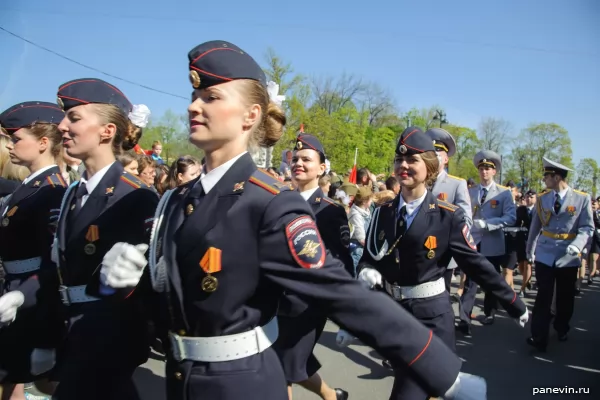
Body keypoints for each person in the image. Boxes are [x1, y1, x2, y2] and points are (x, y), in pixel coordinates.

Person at [98, 40, 486, 400]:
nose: (194, 106)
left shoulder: (268, 202)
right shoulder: (177, 198)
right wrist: (136, 282)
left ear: (251, 115)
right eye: (195, 96)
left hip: (242, 382)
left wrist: (442, 371)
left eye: (212, 97)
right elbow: (180, 302)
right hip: (181, 380)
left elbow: (338, 291)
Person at [340, 127, 527, 399]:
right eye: (399, 160)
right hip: (393, 317)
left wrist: (514, 303)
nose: (403, 166)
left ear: (428, 168)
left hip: (430, 320)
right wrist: (366, 273)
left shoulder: (447, 217)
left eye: (412, 160)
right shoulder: (382, 213)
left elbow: (476, 264)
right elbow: (370, 258)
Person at [44, 78, 159, 400]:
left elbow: (149, 283)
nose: (63, 126)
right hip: (71, 332)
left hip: (107, 341)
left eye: (75, 118)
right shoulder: (72, 193)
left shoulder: (134, 196)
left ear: (107, 131)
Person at [275, 134, 353, 400]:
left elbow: (342, 264)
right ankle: (332, 396)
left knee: (280, 367)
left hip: (306, 304)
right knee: (293, 363)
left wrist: (345, 315)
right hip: (275, 300)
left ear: (322, 168)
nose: (298, 163)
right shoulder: (279, 201)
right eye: (295, 158)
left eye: (306, 159)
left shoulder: (331, 210)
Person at [0, 101, 67, 400]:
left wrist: (44, 333)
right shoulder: (30, 185)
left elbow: (51, 263)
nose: (11, 146)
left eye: (17, 139)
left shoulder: (51, 189)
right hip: (13, 289)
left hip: (28, 298)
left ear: (42, 143)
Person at [525, 157, 593, 352]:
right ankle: (539, 336)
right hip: (545, 253)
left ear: (556, 177)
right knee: (543, 296)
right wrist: (530, 250)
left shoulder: (581, 198)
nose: (544, 179)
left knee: (565, 296)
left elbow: (587, 228)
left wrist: (578, 246)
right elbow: (535, 228)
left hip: (568, 253)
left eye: (546, 176)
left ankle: (562, 326)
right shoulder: (543, 198)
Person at [458, 150, 516, 335]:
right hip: (474, 241)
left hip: (492, 241)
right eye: (481, 168)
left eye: (488, 169)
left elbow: (511, 217)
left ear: (494, 172)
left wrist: (490, 224)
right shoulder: (471, 191)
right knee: (470, 280)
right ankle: (464, 317)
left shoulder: (504, 193)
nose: (484, 172)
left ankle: (490, 311)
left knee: (491, 279)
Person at [425, 128, 472, 293]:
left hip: (443, 254)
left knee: (441, 299)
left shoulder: (457, 184)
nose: (434, 156)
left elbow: (466, 219)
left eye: (438, 153)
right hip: (418, 252)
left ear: (446, 158)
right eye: (430, 153)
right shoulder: (418, 182)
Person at [515, 189, 537, 297]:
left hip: (532, 240)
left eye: (531, 197)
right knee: (521, 266)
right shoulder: (521, 209)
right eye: (527, 197)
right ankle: (527, 281)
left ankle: (522, 289)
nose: (529, 199)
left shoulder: (538, 210)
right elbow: (516, 223)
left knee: (528, 264)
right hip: (521, 240)